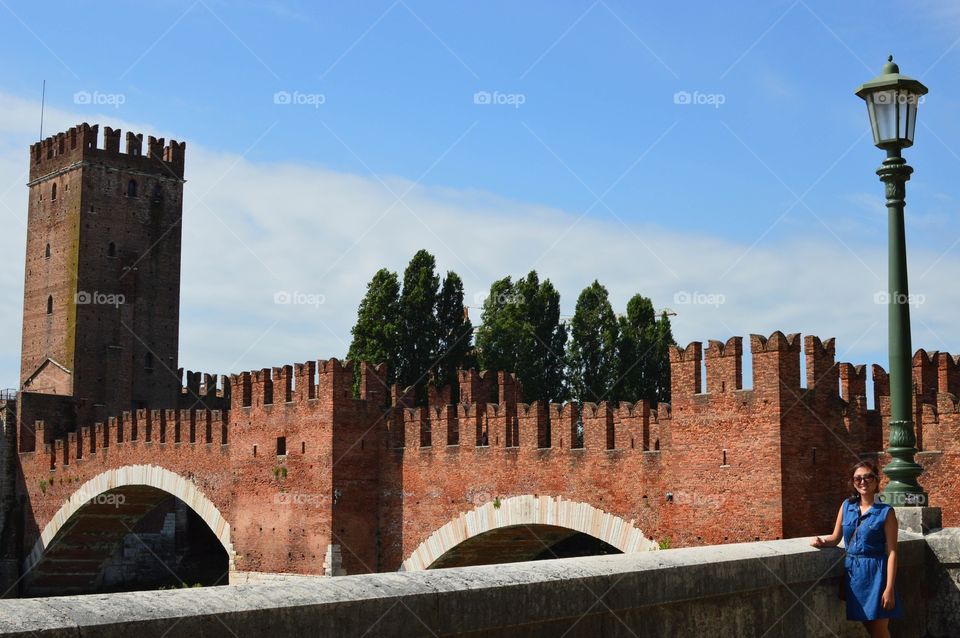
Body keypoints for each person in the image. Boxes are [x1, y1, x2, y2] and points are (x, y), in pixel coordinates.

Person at [810, 460, 901, 638]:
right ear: (853, 483)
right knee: (868, 626)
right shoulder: (846, 506)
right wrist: (821, 541)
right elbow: (836, 538)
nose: (862, 481)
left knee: (879, 629)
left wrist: (889, 587)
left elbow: (892, 553)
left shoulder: (886, 512)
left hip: (877, 574)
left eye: (867, 477)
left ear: (876, 481)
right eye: (857, 478)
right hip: (855, 575)